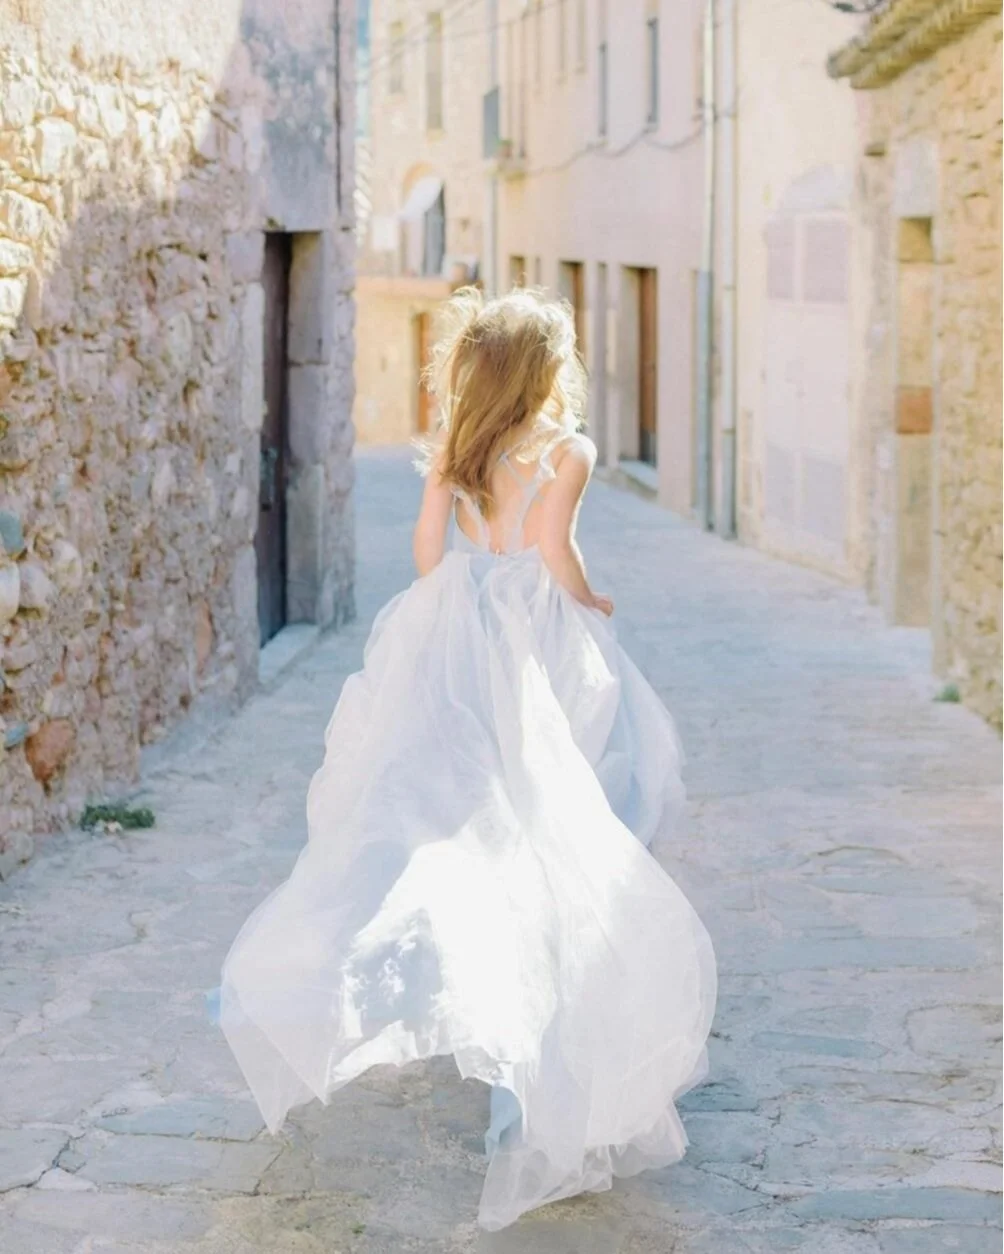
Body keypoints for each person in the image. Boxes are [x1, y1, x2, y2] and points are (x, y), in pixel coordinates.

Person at [217, 287, 717, 1232]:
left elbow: (421, 553)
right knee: (579, 807)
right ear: (547, 370)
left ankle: (488, 990)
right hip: (536, 640)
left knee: (464, 812)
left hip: (458, 628)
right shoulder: (567, 451)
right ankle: (555, 1017)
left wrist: (463, 582)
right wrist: (592, 601)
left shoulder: (458, 450)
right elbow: (556, 551)